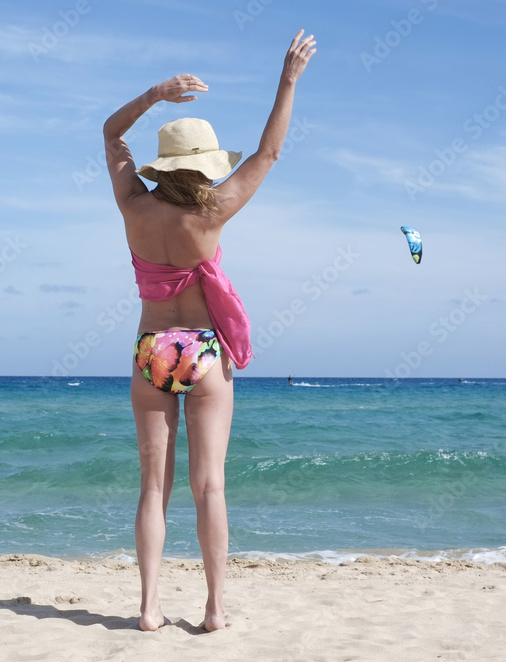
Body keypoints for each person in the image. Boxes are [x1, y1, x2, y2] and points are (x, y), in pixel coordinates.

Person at [103, 30, 316, 632]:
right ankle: (215, 609)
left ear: (163, 164)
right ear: (205, 164)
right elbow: (269, 153)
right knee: (210, 487)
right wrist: (288, 81)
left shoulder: (133, 205)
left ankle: (149, 609)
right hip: (201, 351)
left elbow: (111, 134)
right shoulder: (212, 210)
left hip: (152, 349)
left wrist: (155, 94)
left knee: (153, 489)